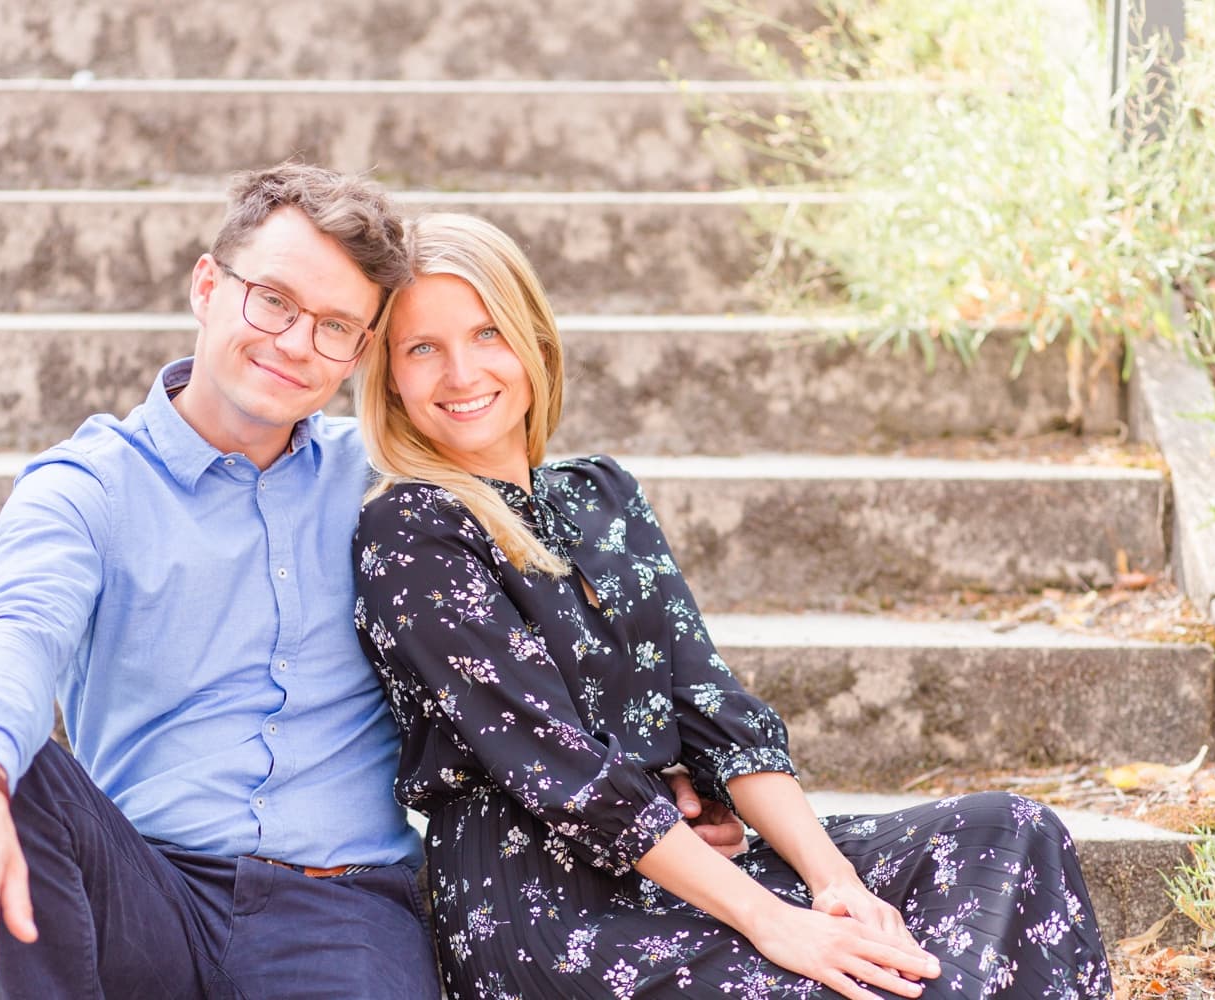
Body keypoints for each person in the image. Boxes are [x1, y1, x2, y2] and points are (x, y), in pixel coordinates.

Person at [0, 165, 743, 1000]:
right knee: (1, 776)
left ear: (363, 350)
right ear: (207, 285)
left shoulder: (397, 487)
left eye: (335, 325)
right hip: (149, 890)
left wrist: (661, 770)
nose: (297, 343)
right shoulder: (87, 488)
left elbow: (551, 612)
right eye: (272, 300)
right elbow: (16, 635)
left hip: (342, 910)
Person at [350, 212, 1115, 1000]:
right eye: (422, 349)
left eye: (486, 334)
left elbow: (713, 707)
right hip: (547, 911)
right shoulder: (411, 530)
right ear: (392, 378)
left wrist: (832, 882)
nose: (461, 373)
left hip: (687, 863)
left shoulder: (600, 494)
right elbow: (561, 771)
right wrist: (772, 921)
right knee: (863, 985)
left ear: (535, 344)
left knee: (1009, 832)